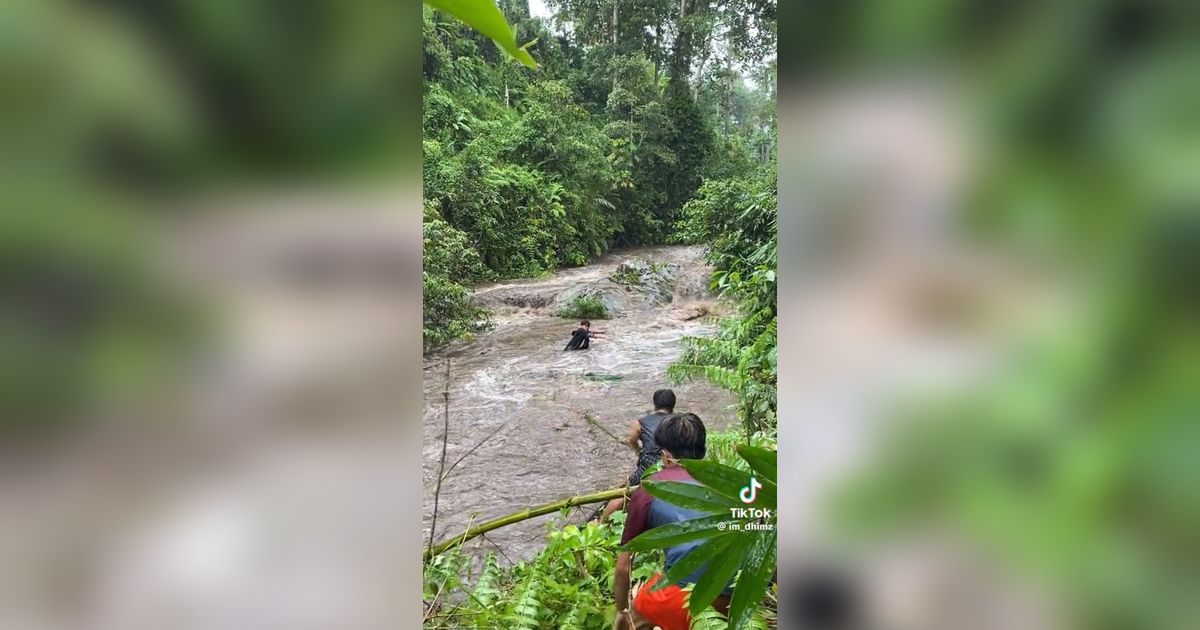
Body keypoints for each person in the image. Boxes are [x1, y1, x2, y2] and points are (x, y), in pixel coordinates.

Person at [613, 413, 730, 630]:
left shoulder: (651, 489)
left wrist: (622, 611)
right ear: (703, 453)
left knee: (631, 617)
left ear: (665, 457)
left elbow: (623, 567)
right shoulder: (733, 483)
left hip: (682, 600)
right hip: (737, 599)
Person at [598, 389, 675, 522]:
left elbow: (631, 439)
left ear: (654, 404)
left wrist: (638, 450)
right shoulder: (679, 422)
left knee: (623, 492)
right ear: (673, 405)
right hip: (672, 462)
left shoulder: (640, 423)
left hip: (650, 463)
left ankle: (601, 522)